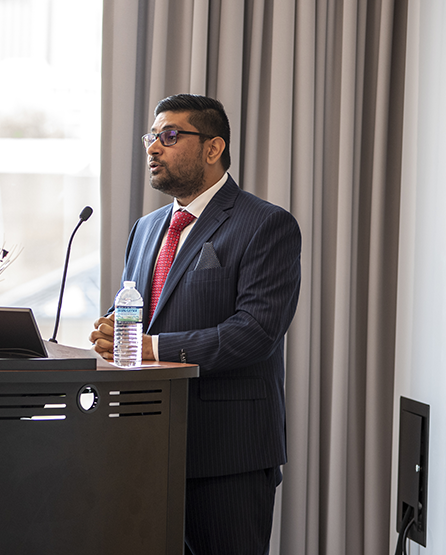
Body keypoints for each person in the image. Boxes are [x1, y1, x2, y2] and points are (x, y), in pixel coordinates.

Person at [90, 94, 301, 555]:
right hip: (145, 447)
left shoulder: (265, 224)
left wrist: (152, 348)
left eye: (170, 136)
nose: (153, 148)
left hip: (227, 454)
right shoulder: (145, 229)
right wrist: (111, 331)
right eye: (152, 136)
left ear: (212, 148)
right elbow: (132, 313)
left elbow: (255, 334)